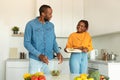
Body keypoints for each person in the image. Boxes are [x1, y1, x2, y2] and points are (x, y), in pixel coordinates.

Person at [24, 5, 63, 74]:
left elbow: (53, 41)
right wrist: (39, 55)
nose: (51, 16)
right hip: (35, 60)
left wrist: (58, 52)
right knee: (34, 78)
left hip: (49, 60)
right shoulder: (30, 24)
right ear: (43, 14)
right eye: (50, 13)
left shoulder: (51, 25)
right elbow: (26, 43)